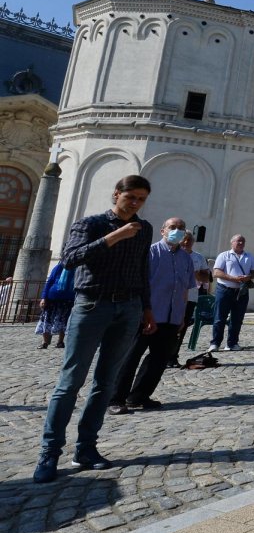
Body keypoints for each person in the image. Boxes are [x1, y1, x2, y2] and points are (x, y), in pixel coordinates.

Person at [34, 175, 156, 484]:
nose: (136, 203)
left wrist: (146, 308)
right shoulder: (90, 224)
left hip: (128, 307)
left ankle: (86, 448)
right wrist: (113, 238)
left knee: (106, 382)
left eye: (142, 199)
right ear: (117, 194)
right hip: (92, 306)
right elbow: (71, 259)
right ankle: (49, 453)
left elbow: (142, 270)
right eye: (131, 197)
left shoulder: (144, 229)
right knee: (71, 380)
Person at [110, 217, 195, 413]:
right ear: (163, 231)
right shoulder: (150, 253)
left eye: (181, 228)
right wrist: (141, 311)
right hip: (148, 314)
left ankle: (139, 396)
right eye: (172, 227)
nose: (177, 231)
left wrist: (181, 317)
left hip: (171, 317)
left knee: (158, 359)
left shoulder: (185, 258)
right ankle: (115, 398)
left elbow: (184, 289)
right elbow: (140, 284)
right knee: (130, 357)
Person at [208, 235, 254, 351]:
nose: (241, 243)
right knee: (220, 317)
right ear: (232, 243)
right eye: (238, 241)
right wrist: (233, 279)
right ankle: (215, 343)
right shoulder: (224, 255)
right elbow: (216, 273)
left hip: (241, 291)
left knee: (237, 318)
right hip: (225, 289)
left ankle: (232, 343)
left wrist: (249, 277)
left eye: (243, 241)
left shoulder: (249, 256)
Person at [172, 230, 212, 367]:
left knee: (182, 327)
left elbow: (207, 277)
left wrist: (195, 275)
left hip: (191, 297)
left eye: (190, 240)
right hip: (171, 296)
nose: (186, 242)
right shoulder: (172, 254)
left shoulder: (198, 258)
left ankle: (173, 356)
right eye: (184, 239)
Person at [35, 262, 75, 349]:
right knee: (47, 320)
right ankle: (45, 342)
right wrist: (44, 298)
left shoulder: (77, 269)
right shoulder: (59, 267)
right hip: (52, 298)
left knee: (63, 321)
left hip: (68, 299)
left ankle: (60, 342)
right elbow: (49, 282)